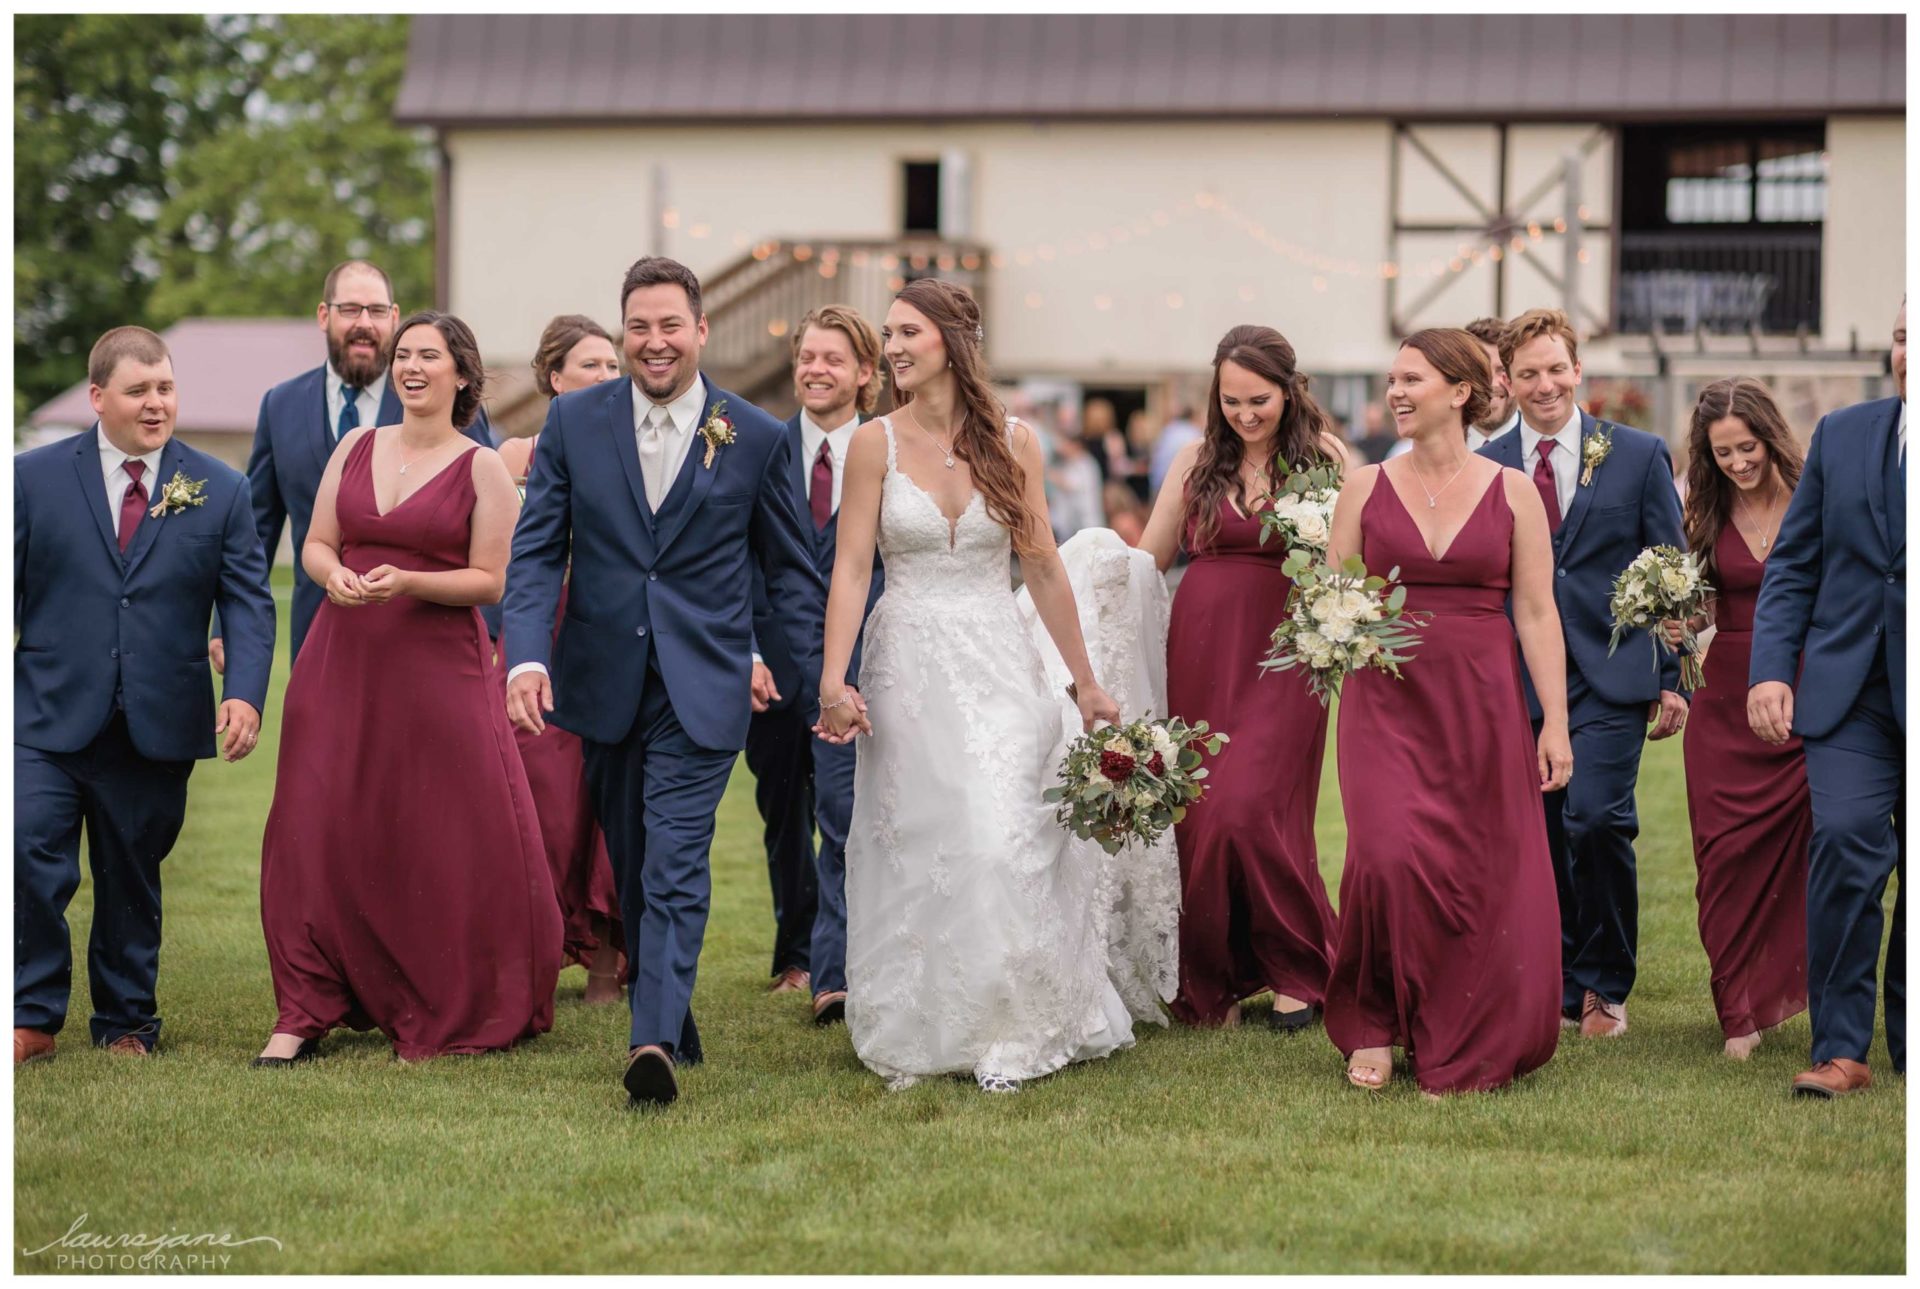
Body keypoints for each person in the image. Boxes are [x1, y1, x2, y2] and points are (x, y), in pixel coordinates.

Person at [503, 257, 825, 1107]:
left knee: (676, 859)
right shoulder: (574, 422)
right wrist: (527, 654)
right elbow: (537, 548)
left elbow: (789, 572)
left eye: (669, 326)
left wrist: (812, 673)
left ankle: (650, 1042)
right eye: (638, 328)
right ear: (622, 332)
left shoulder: (754, 433)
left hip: (705, 681)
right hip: (602, 681)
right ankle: (672, 1014)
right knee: (637, 859)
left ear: (701, 330)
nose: (654, 343)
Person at [815, 277, 1136, 1094]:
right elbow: (854, 568)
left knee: (1002, 830)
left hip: (999, 654)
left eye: (907, 332)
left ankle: (1012, 1010)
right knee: (926, 839)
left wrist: (1085, 683)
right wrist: (833, 678)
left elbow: (1042, 563)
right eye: (888, 334)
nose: (892, 348)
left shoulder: (1015, 442)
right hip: (909, 659)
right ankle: (927, 1017)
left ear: (953, 341)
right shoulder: (872, 445)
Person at [255, 312, 561, 1064]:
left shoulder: (482, 465)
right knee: (316, 822)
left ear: (462, 375)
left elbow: (493, 579)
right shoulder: (355, 446)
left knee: (434, 831)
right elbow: (318, 541)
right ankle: (304, 1005)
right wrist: (337, 577)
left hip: (438, 668)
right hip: (340, 659)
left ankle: (434, 993)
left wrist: (411, 580)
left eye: (429, 355)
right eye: (404, 355)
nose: (411, 366)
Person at [15, 327, 276, 1066]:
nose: (156, 403)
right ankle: (30, 1015)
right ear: (98, 398)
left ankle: (127, 1020)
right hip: (45, 711)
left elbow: (249, 603)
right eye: (139, 390)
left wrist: (246, 693)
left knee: (132, 870)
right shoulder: (31, 479)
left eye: (164, 387)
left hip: (158, 715)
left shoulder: (221, 488)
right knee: (27, 851)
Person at [1325, 328, 1569, 1094]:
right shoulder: (1363, 486)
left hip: (1481, 699)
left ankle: (1458, 1015)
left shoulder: (1513, 492)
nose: (1396, 392)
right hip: (1384, 697)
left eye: (1411, 380)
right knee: (1384, 855)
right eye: (1392, 380)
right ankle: (1372, 1018)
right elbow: (1330, 597)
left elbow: (1535, 611)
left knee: (1473, 868)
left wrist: (1554, 721)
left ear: (1460, 392)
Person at [1480, 308, 1689, 1039]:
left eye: (1556, 369)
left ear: (1578, 370)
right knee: (1538, 835)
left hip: (1613, 669)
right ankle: (1558, 976)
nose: (1545, 385)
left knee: (1596, 818)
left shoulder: (1636, 452)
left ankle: (1605, 982)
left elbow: (1672, 571)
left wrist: (1675, 676)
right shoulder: (1488, 462)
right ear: (1507, 379)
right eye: (1528, 372)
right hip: (1516, 677)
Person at [1137, 325, 1346, 1031]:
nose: (1245, 414)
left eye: (1258, 399)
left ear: (1290, 391)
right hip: (1200, 649)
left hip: (1290, 653)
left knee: (1254, 808)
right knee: (1201, 816)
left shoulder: (1327, 461)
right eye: (1230, 401)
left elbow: (1353, 562)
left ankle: (1302, 963)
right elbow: (1149, 556)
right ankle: (1211, 977)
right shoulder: (1196, 462)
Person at [1750, 298, 1906, 1099]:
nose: (1907, 354)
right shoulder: (1843, 435)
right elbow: (1796, 565)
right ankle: (1842, 1047)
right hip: (1851, 693)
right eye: (1903, 337)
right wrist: (1772, 667)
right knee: (1845, 842)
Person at [213, 261, 493, 671]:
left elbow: (490, 529)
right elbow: (256, 529)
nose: (365, 323)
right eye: (350, 310)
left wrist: (493, 632)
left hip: (430, 636)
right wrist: (227, 623)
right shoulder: (282, 405)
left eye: (377, 311)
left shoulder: (440, 398)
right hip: (318, 633)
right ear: (324, 316)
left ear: (394, 318)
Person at [745, 304, 886, 1024]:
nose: (814, 369)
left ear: (865, 373)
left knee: (843, 813)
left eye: (832, 358)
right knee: (781, 815)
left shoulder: (890, 451)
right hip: (770, 670)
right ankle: (796, 950)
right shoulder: (760, 449)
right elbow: (732, 555)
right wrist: (746, 650)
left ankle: (833, 968)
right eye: (806, 357)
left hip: (856, 667)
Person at [1669, 378, 1810, 1059]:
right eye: (1722, 452)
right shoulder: (1704, 507)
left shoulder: (1816, 494)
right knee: (1722, 856)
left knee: (1800, 853)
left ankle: (1783, 987)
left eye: (1746, 447)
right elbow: (1704, 606)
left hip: (1806, 691)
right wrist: (1673, 621)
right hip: (1724, 697)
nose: (1737, 463)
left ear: (1770, 436)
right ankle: (1736, 1011)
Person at [498, 315, 627, 1005]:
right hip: (531, 637)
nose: (608, 378)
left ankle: (605, 962)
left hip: (602, 634)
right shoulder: (510, 456)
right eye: (592, 366)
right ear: (555, 378)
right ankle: (534, 953)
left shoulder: (628, 449)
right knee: (537, 801)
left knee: (601, 804)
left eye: (614, 366)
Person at [1463, 317, 1521, 448]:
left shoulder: (1543, 447)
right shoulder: (1435, 452)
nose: (1492, 384)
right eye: (1480, 370)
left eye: (1502, 370)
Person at [1148, 405, 1203, 498]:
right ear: (1193, 417)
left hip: (1161, 481)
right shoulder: (1194, 432)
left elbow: (1156, 456)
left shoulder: (1168, 430)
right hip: (1183, 483)